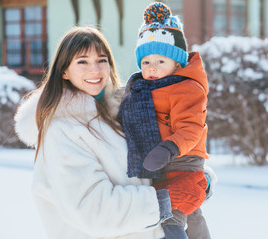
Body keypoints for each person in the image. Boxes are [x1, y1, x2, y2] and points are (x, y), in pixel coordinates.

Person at [13, 26, 215, 239]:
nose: (95, 70)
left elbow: (153, 167)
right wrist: (167, 199)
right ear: (64, 71)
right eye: (82, 61)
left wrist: (199, 180)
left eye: (102, 60)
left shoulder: (120, 113)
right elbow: (93, 209)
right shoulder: (62, 131)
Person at [118, 2, 211, 239]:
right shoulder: (139, 88)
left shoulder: (187, 88)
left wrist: (169, 147)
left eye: (161, 62)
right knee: (193, 213)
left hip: (183, 160)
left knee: (174, 207)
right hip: (155, 163)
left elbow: (191, 128)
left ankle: (174, 233)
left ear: (177, 64)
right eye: (146, 62)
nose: (152, 68)